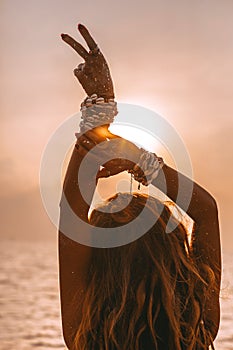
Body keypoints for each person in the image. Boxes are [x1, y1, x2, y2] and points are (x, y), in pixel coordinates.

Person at [59, 24, 221, 350]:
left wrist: (99, 113)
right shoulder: (197, 327)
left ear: (97, 265)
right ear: (176, 253)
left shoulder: (86, 333)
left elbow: (71, 214)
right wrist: (138, 159)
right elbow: (206, 209)